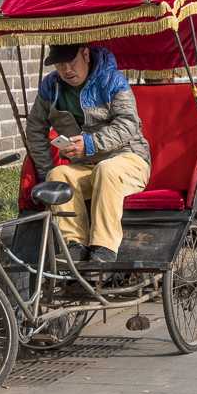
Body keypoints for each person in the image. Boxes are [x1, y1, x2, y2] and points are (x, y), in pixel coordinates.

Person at [25, 43, 151, 263]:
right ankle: (75, 244)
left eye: (72, 62)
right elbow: (36, 127)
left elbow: (129, 123)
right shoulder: (52, 85)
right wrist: (45, 171)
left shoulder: (113, 80)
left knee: (107, 169)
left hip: (129, 159)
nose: (66, 70)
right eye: (60, 65)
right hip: (87, 166)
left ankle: (105, 248)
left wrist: (89, 144)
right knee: (58, 176)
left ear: (85, 55)